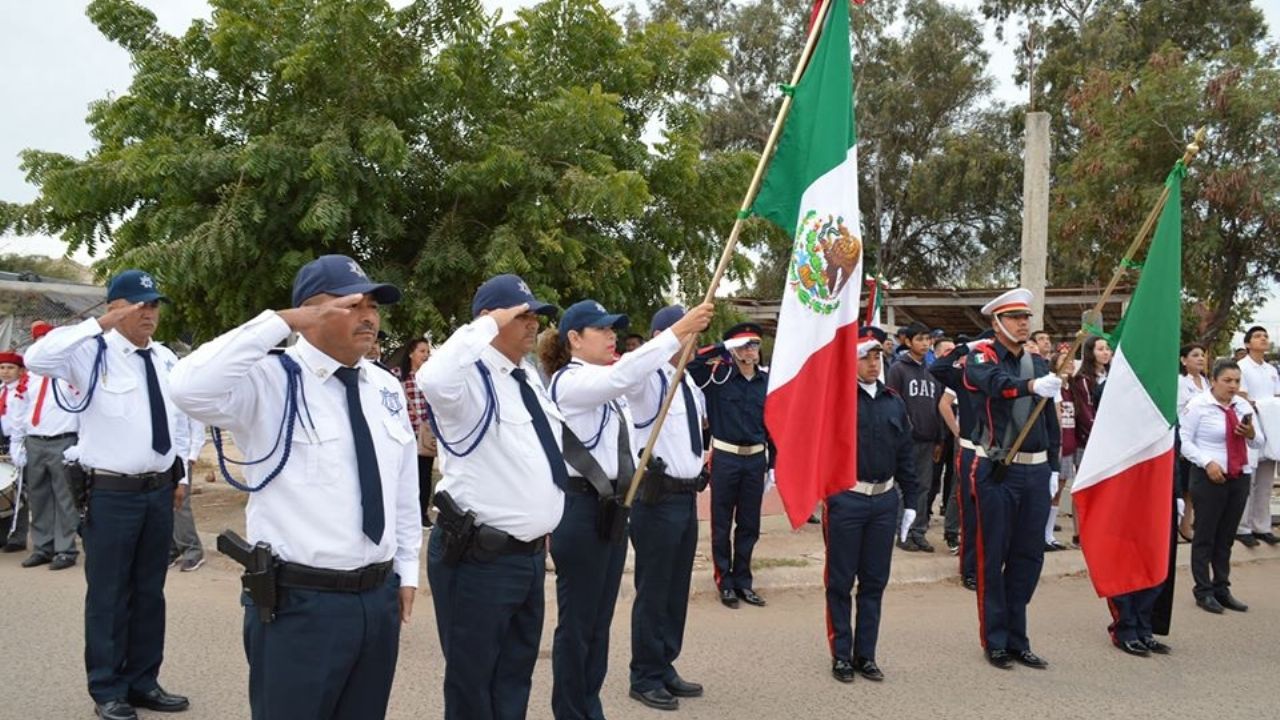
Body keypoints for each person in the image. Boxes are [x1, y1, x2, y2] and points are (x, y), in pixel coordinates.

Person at [170, 255, 420, 720]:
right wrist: (280, 322)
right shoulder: (268, 379)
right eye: (352, 305)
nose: (369, 316)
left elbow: (401, 486)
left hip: (376, 599)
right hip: (301, 603)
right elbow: (187, 388)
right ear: (310, 313)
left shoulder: (383, 386)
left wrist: (406, 570)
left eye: (373, 306)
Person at [26, 269, 191, 720]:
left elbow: (178, 423)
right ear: (116, 308)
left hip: (159, 490)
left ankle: (143, 681)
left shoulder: (164, 359)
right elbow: (37, 358)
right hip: (112, 494)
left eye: (154, 304)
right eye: (140, 305)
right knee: (109, 594)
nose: (149, 313)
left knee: (149, 592)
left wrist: (182, 477)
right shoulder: (89, 354)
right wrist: (98, 324)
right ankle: (107, 688)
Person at [538, 299, 712, 717]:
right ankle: (571, 710)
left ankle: (588, 706)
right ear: (574, 340)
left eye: (614, 327)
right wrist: (676, 332)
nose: (612, 334)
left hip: (610, 509)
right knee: (579, 625)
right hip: (579, 510)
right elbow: (626, 375)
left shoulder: (606, 384)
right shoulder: (570, 381)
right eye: (601, 329)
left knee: (598, 624)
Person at [417, 274, 563, 720]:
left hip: (529, 556)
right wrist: (486, 325)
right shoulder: (466, 383)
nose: (534, 323)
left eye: (536, 315)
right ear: (489, 319)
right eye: (522, 315)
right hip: (480, 560)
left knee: (515, 674)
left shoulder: (528, 377)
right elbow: (431, 377)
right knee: (472, 682)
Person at [961, 288, 1061, 670]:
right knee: (994, 555)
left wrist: (1053, 467)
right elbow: (993, 384)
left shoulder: (1038, 365)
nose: (1023, 323)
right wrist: (1031, 386)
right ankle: (996, 640)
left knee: (1028, 557)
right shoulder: (980, 357)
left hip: (1035, 471)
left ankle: (1019, 638)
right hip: (998, 469)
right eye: (1015, 317)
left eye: (1026, 318)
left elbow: (1048, 421)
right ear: (996, 323)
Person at [625, 305, 713, 710]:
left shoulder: (688, 384)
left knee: (676, 591)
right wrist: (674, 336)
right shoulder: (648, 378)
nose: (696, 343)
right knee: (655, 590)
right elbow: (632, 367)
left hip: (685, 498)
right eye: (691, 335)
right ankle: (644, 674)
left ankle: (664, 664)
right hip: (657, 502)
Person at [826, 326, 919, 684]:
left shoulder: (893, 400)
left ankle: (866, 655)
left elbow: (906, 454)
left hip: (883, 501)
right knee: (840, 582)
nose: (872, 362)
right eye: (865, 355)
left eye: (877, 355)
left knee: (874, 582)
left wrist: (911, 501)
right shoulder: (838, 400)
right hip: (848, 498)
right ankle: (841, 655)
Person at [688, 322, 773, 609]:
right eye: (746, 344)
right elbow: (693, 366)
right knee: (722, 522)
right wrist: (723, 346)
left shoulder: (766, 381)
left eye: (755, 344)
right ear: (734, 349)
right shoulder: (718, 377)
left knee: (749, 524)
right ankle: (724, 581)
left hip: (755, 458)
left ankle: (744, 581)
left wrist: (773, 461)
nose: (752, 350)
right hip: (726, 457)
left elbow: (772, 424)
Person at [1180, 359, 1263, 614]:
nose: (1233, 386)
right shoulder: (1199, 405)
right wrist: (1207, 462)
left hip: (1239, 475)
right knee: (1205, 535)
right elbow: (1183, 440)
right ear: (1213, 380)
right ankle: (1203, 590)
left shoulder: (1242, 405)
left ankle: (1222, 588)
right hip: (1209, 476)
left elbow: (1259, 441)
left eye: (1237, 381)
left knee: (1226, 536)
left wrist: (1249, 434)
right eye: (1227, 381)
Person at [930, 330, 995, 591]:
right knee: (971, 514)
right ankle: (969, 570)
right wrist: (965, 348)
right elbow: (938, 368)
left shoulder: (1004, 376)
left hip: (999, 452)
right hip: (971, 450)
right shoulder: (965, 374)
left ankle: (991, 566)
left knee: (995, 516)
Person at [15, 321, 81, 571]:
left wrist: (81, 442)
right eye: (37, 340)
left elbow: (82, 406)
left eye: (46, 340)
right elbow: (22, 408)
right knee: (39, 496)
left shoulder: (68, 372)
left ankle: (65, 549)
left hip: (63, 439)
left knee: (65, 497)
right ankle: (43, 546)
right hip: (35, 440)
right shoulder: (30, 376)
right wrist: (19, 441)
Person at [886, 322, 942, 552]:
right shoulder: (898, 369)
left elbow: (938, 406)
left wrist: (940, 438)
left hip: (929, 439)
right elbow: (892, 403)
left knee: (924, 487)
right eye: (920, 339)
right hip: (906, 440)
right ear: (907, 342)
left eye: (928, 339)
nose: (925, 344)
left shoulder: (933, 371)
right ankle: (903, 532)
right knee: (904, 487)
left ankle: (919, 531)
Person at [1232, 326, 1279, 547]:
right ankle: (1242, 527)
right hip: (1251, 425)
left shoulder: (1271, 369)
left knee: (1266, 480)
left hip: (1271, 426)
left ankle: (1262, 525)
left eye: (1265, 336)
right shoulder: (1241, 367)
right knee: (1248, 479)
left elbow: (1276, 395)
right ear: (1248, 343)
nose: (1263, 339)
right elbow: (1241, 396)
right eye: (1258, 336)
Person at [1064, 336, 1111, 548]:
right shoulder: (1083, 378)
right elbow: (1084, 411)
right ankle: (1079, 533)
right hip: (1089, 440)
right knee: (1084, 487)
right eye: (1100, 349)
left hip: (1110, 441)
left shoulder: (1113, 376)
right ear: (1090, 352)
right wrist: (1098, 434)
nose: (1106, 352)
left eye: (1107, 348)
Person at [399, 337, 435, 526]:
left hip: (425, 436)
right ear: (411, 353)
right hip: (405, 435)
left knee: (425, 476)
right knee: (406, 476)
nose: (426, 355)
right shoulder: (397, 376)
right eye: (422, 351)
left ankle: (422, 514)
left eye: (427, 351)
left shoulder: (431, 377)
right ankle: (406, 516)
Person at [0, 351, 31, 552]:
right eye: (2, 367)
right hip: (1, 442)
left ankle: (18, 536)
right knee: (3, 490)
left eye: (10, 367)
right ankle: (2, 534)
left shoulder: (24, 390)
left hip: (19, 442)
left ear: (20, 371)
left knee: (21, 491)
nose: (5, 372)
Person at [169, 415, 206, 572]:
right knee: (163, 504)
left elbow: (197, 422)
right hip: (160, 458)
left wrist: (194, 453)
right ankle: (172, 547)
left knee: (180, 505)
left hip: (181, 456)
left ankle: (193, 549)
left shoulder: (180, 392)